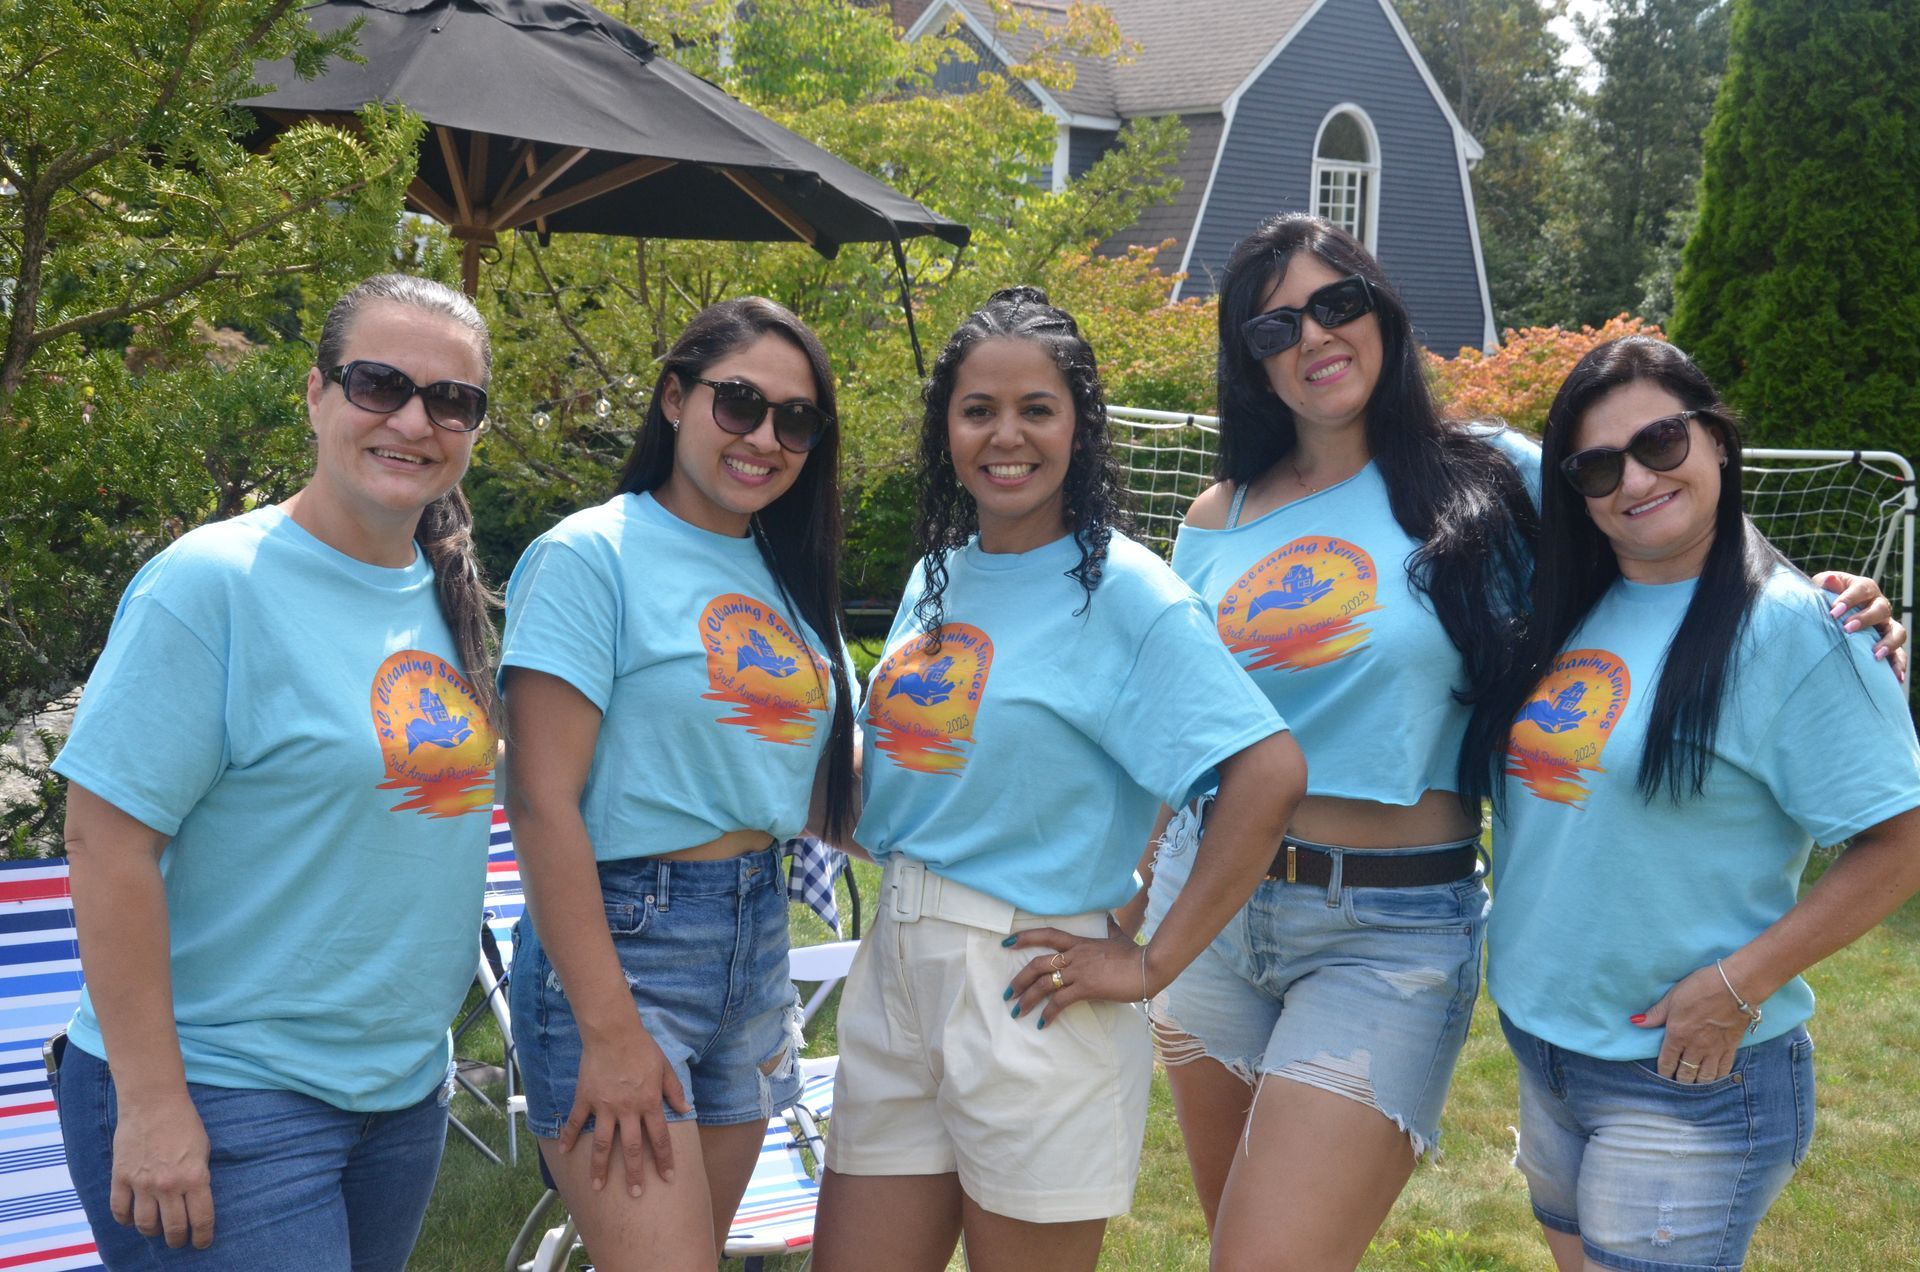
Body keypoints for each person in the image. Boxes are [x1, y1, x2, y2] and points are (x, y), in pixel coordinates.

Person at [1125, 214, 1904, 1272]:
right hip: (1208, 903)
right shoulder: (1219, 515)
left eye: (1336, 303)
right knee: (1238, 1247)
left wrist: (1834, 601)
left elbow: (1665, 516)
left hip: (1383, 927)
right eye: (1272, 329)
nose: (1312, 337)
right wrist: (1145, 873)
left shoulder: (1487, 469)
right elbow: (1193, 713)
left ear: (1381, 312)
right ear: (1249, 366)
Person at [811, 287, 1306, 1272]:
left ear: (1080, 426)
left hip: (1029, 983)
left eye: (1036, 408)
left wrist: (1154, 961)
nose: (1007, 435)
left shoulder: (1130, 593)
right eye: (978, 409)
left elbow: (1267, 771)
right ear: (945, 427)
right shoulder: (937, 577)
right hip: (896, 968)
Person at [50, 273, 501, 1266]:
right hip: (224, 1089)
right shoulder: (210, 585)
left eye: (451, 399)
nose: (414, 419)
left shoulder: (447, 596)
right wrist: (154, 1101)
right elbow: (104, 841)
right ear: (315, 394)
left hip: (398, 1097)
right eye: (380, 383)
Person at [1460, 336, 1920, 1272]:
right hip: (1546, 1046)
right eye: (1596, 466)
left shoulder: (1797, 627)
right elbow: (1443, 435)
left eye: (1661, 443)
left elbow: (1901, 839)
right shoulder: (1572, 601)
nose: (1633, 479)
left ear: (1716, 440)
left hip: (1688, 1072)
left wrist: (1734, 987)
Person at [499, 298, 856, 1272]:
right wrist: (611, 1031)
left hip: (755, 945)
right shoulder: (588, 556)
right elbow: (539, 802)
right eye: (739, 403)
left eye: (796, 420)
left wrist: (1011, 858)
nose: (766, 438)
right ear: (672, 398)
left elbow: (813, 787)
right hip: (627, 951)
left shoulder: (786, 575)